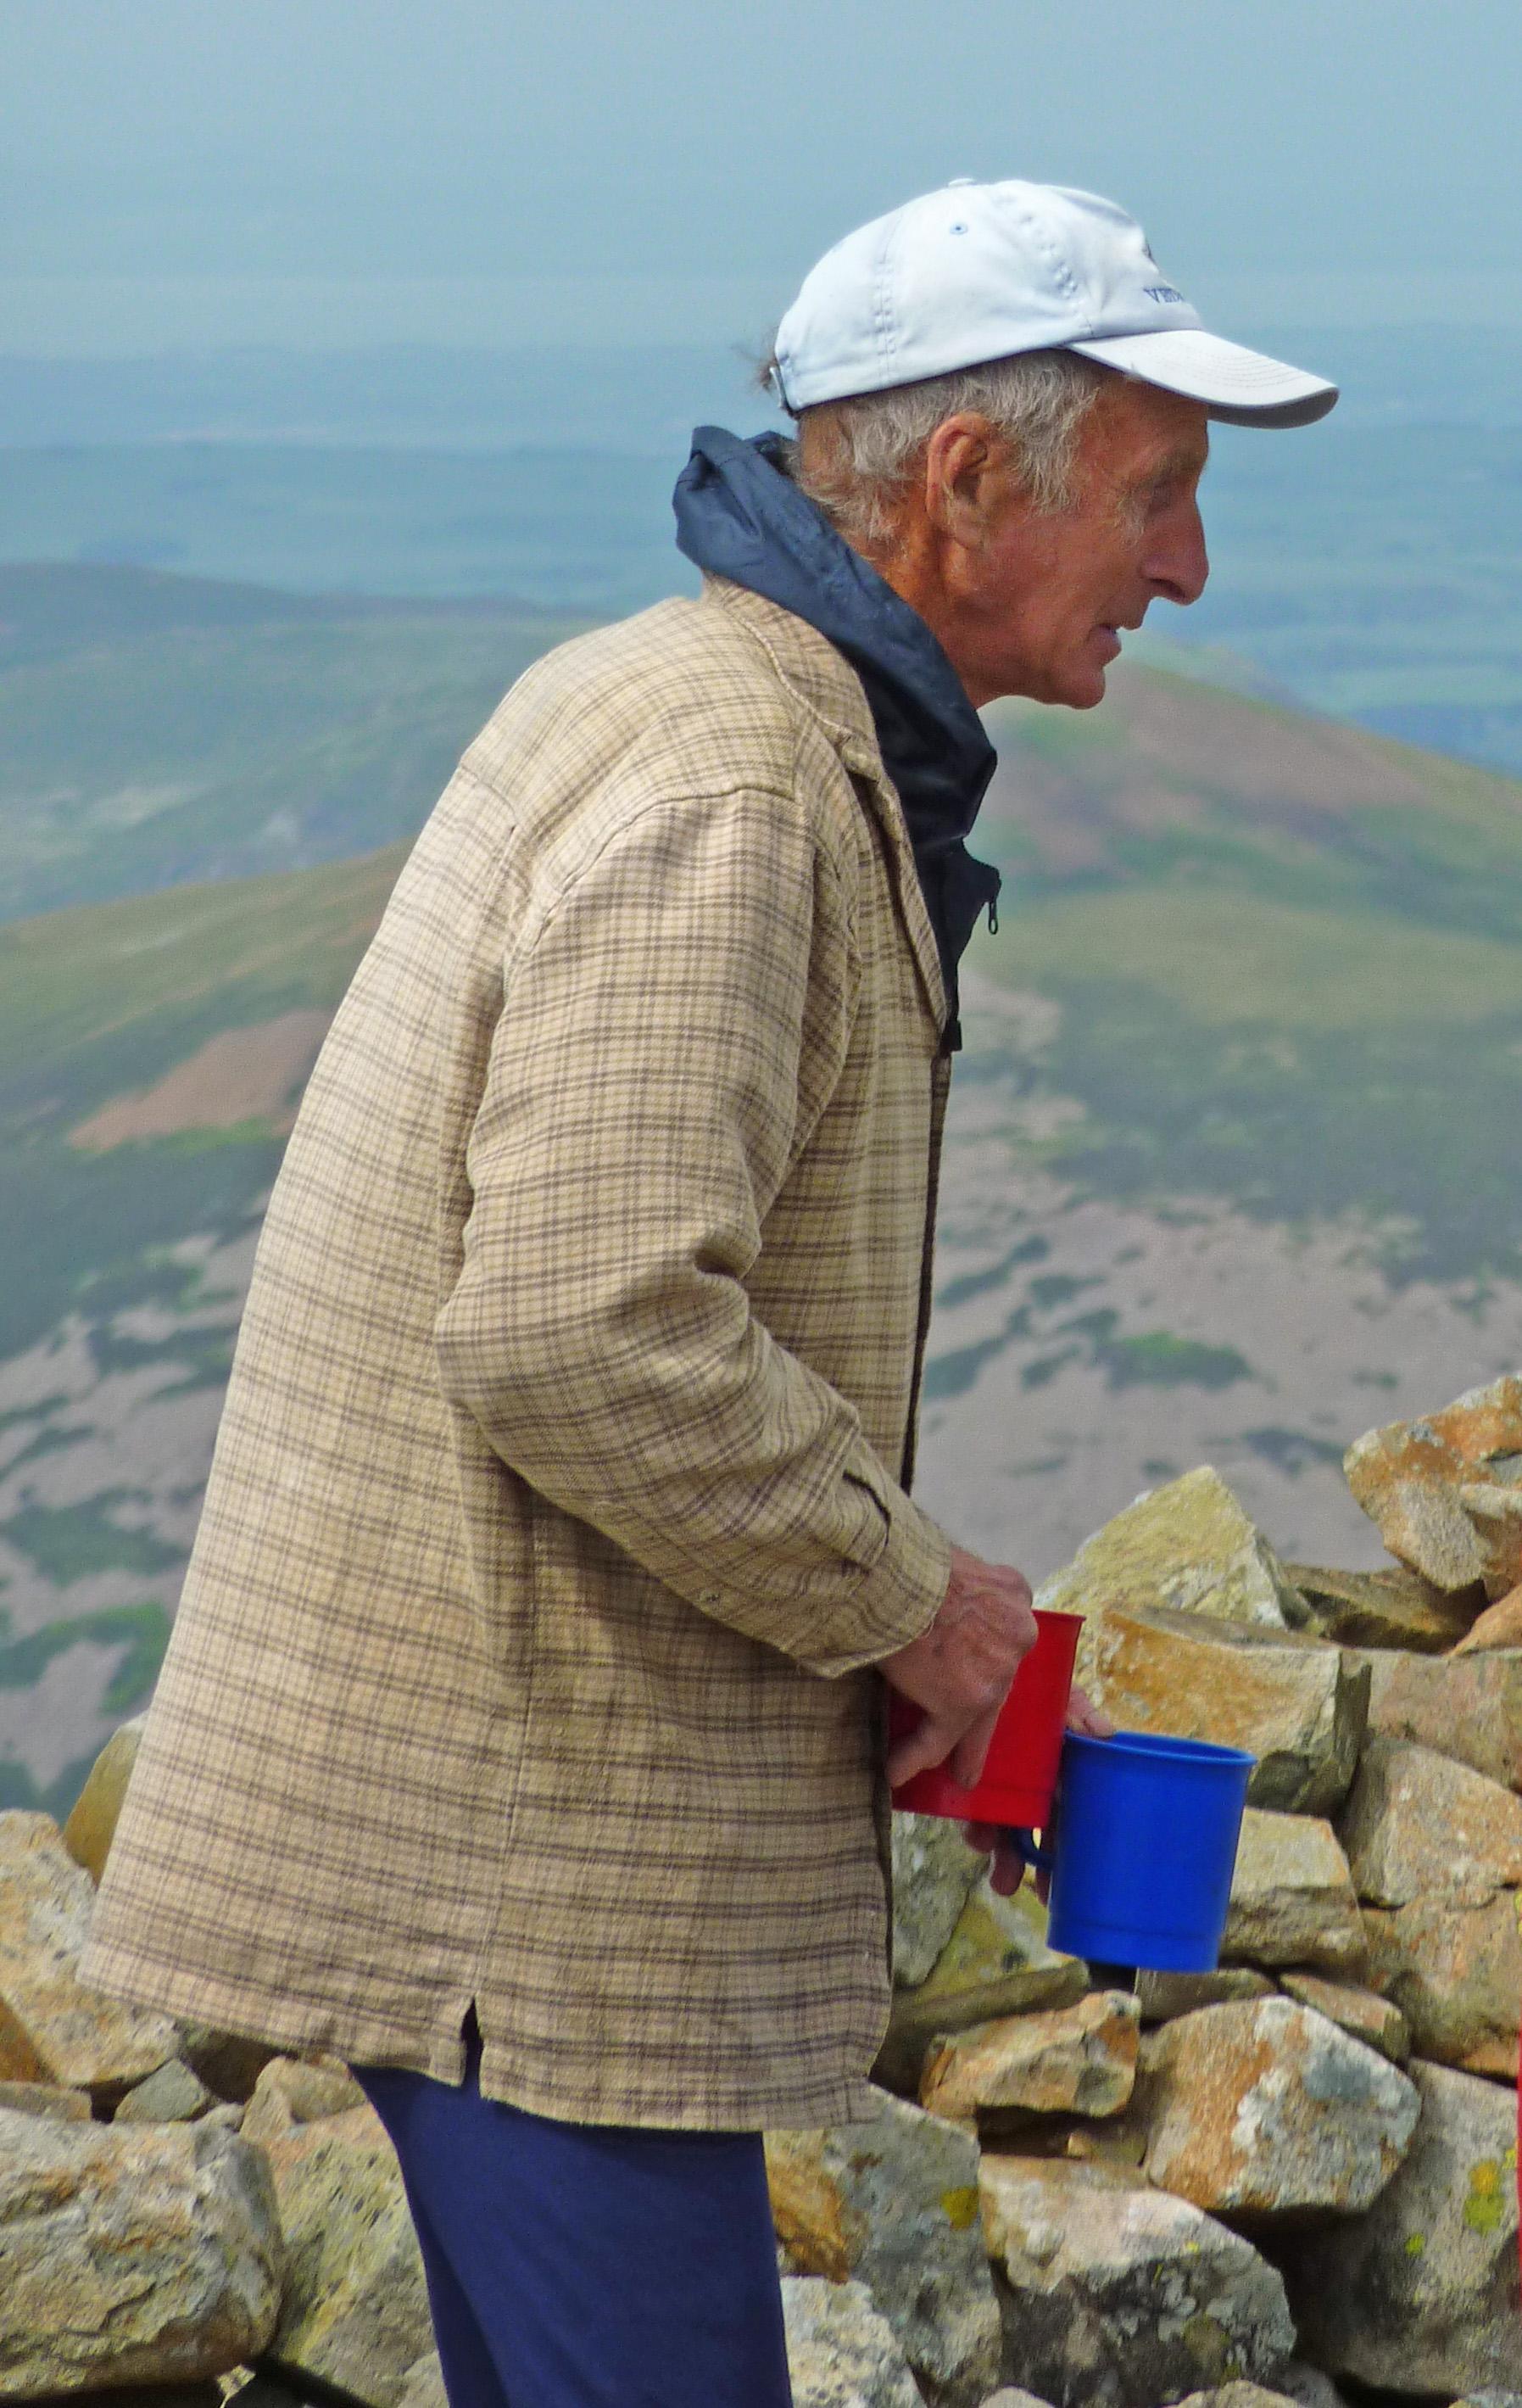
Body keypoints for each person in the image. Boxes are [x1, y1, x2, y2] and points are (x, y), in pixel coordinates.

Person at [82, 177, 1336, 2406]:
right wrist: (909, 1602)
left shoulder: (705, 708)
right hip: (530, 1885)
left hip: (526, 1851)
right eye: (1156, 497)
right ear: (963, 482)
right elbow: (585, 1332)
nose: (1187, 568)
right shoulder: (741, 783)